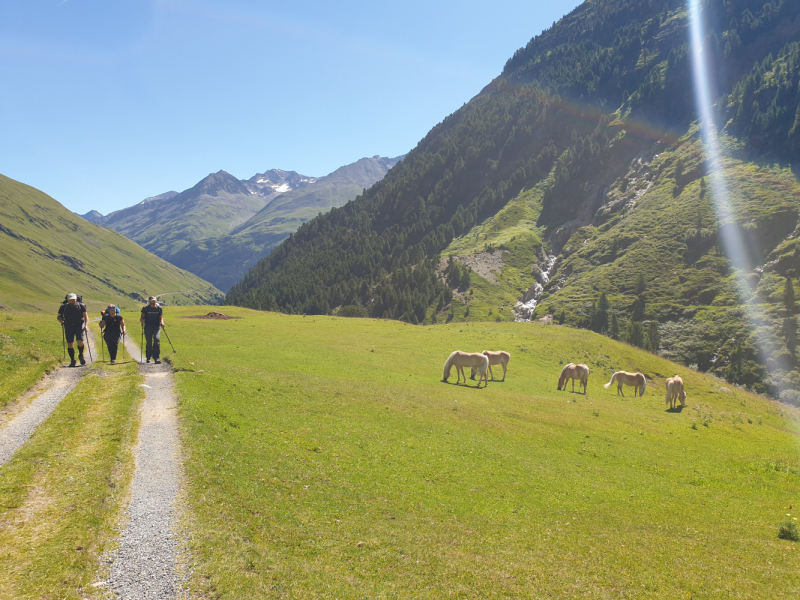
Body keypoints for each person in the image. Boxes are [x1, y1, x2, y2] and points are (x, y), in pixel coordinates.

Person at [57, 293, 88, 367]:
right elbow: (58, 316)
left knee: (80, 342)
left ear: (76, 299)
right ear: (67, 300)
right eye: (70, 300)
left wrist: (86, 326)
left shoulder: (81, 306)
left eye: (73, 300)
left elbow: (86, 317)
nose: (72, 301)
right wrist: (60, 320)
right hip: (68, 326)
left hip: (79, 326)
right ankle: (72, 360)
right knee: (70, 344)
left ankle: (81, 355)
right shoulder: (63, 307)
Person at [140, 296, 164, 364]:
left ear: (156, 302)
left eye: (154, 303)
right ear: (149, 303)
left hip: (156, 326)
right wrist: (142, 320)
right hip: (148, 326)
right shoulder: (145, 308)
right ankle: (148, 357)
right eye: (151, 303)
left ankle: (156, 357)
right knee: (149, 342)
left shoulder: (159, 308)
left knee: (157, 340)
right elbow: (142, 317)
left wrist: (162, 323)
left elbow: (161, 317)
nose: (152, 305)